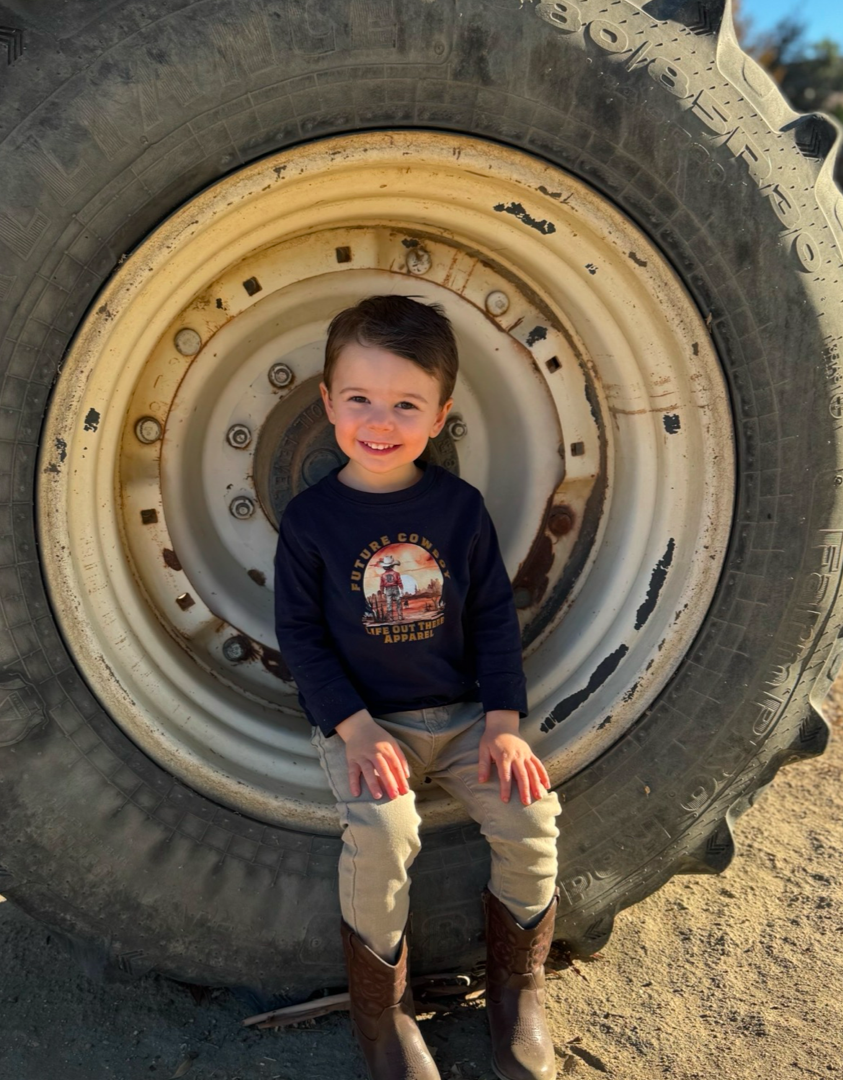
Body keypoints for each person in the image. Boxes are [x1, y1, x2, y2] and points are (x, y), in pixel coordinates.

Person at [274, 295, 562, 1080]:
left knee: (530, 815)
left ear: (440, 416)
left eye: (406, 403)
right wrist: (355, 729)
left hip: (468, 717)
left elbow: (496, 618)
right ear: (327, 403)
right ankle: (385, 1014)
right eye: (360, 398)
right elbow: (300, 637)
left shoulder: (458, 509)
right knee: (385, 835)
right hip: (371, 726)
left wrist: (502, 722)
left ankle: (518, 994)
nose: (380, 419)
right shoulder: (309, 522)